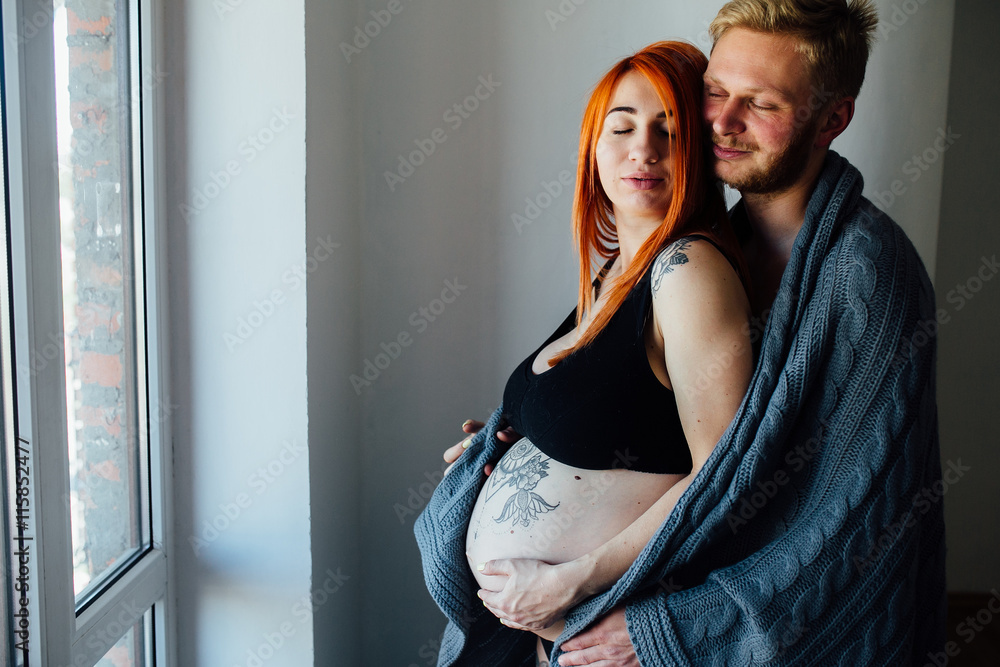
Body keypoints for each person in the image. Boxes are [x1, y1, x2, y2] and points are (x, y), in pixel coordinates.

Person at [425, 0, 946, 664]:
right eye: (716, 92)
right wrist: (540, 438)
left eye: (761, 104)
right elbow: (666, 430)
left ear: (832, 119)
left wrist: (663, 629)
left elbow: (853, 521)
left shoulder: (869, 272)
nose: (723, 123)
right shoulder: (718, 235)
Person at [418, 40, 755, 666]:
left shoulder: (687, 271)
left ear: (702, 154)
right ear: (592, 149)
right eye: (621, 127)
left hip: (602, 632)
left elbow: (723, 478)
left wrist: (567, 582)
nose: (643, 150)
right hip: (539, 639)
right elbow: (608, 420)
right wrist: (507, 446)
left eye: (670, 131)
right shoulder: (615, 274)